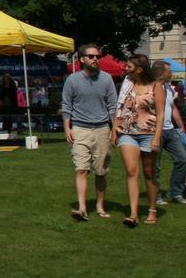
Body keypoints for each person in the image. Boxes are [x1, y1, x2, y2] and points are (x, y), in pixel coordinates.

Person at [61, 43, 118, 221]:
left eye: (97, 56)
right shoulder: (72, 80)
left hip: (102, 129)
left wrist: (114, 130)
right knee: (81, 169)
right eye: (91, 56)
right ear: (82, 59)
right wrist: (67, 128)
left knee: (101, 171)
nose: (95, 59)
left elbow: (113, 107)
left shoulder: (107, 79)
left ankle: (100, 206)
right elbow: (66, 106)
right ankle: (82, 207)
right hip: (79, 129)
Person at [115, 54, 166, 227]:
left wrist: (157, 137)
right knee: (131, 170)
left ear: (140, 69)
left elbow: (160, 114)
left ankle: (152, 210)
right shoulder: (128, 83)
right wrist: (115, 127)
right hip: (127, 132)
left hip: (148, 133)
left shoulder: (156, 86)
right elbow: (120, 105)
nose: (125, 69)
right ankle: (133, 213)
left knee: (149, 173)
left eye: (129, 66)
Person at [152, 60, 186, 205]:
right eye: (169, 71)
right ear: (161, 73)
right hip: (156, 131)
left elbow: (172, 107)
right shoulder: (152, 88)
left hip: (171, 130)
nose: (172, 74)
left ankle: (175, 192)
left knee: (183, 159)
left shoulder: (168, 87)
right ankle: (155, 196)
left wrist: (180, 125)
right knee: (155, 166)